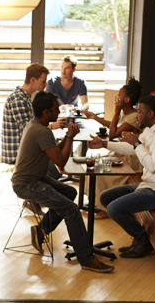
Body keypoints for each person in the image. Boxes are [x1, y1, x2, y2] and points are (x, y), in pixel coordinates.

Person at [11, 92, 114, 273]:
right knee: (71, 209)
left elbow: (53, 152)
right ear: (45, 112)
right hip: (27, 183)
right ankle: (87, 259)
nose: (58, 111)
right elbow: (60, 162)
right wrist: (70, 137)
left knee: (70, 193)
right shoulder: (42, 131)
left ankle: (42, 229)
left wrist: (67, 137)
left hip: (36, 178)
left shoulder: (36, 125)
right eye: (55, 109)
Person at [89, 95, 155, 258]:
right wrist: (103, 144)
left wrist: (136, 143)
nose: (137, 115)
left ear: (150, 113)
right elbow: (131, 148)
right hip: (148, 184)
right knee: (106, 197)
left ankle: (142, 240)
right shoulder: (150, 130)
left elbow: (153, 165)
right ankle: (139, 237)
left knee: (114, 209)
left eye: (140, 112)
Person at [84, 79, 144, 217]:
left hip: (130, 159)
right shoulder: (127, 114)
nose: (116, 98)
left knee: (97, 171)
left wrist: (116, 111)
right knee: (94, 163)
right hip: (122, 153)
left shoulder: (134, 117)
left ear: (127, 99)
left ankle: (103, 208)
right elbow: (115, 125)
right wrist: (95, 117)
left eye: (119, 95)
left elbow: (112, 134)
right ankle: (96, 201)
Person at [1, 63, 66, 183]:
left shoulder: (25, 97)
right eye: (43, 81)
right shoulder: (18, 99)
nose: (46, 84)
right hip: (17, 151)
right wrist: (52, 125)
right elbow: (28, 127)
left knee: (55, 151)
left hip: (27, 148)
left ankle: (41, 195)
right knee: (55, 167)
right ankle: (38, 195)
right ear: (33, 80)